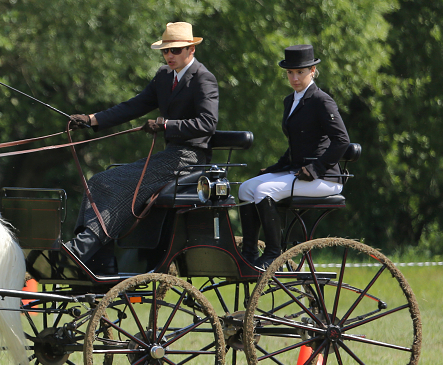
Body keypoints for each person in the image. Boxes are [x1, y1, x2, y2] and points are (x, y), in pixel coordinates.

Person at [66, 22, 219, 274]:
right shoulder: (163, 76)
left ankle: (81, 249)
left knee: (123, 184)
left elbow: (207, 123)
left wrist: (166, 125)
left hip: (191, 158)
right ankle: (98, 259)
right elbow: (134, 106)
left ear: (191, 50)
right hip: (170, 156)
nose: (169, 56)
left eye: (176, 50)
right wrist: (92, 119)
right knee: (100, 180)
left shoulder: (203, 78)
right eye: (166, 51)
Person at [238, 44, 350, 269]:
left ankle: (272, 254)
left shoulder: (321, 100)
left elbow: (342, 141)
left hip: (324, 179)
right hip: (298, 173)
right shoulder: (290, 101)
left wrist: (316, 168)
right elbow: (295, 147)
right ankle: (249, 253)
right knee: (245, 188)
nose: (295, 78)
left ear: (313, 71)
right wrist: (275, 168)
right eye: (290, 72)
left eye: (300, 72)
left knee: (263, 191)